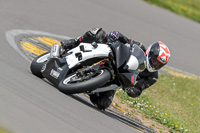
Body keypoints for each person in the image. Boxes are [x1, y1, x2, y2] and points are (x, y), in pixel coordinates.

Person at [60, 28, 171, 110]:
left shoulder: (152, 76)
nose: (155, 64)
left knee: (102, 104)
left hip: (117, 80)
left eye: (159, 64)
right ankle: (73, 43)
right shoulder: (139, 47)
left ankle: (88, 84)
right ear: (150, 53)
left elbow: (139, 90)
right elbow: (124, 39)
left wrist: (131, 90)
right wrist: (115, 35)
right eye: (155, 60)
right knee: (100, 34)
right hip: (112, 60)